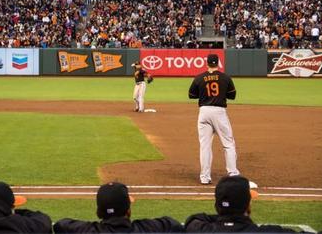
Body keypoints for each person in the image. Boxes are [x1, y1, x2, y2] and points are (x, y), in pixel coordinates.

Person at [188, 54, 245, 185]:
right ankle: (233, 173)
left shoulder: (199, 78)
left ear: (207, 63)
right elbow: (232, 96)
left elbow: (191, 95)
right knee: (228, 144)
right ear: (218, 63)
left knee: (205, 146)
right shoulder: (225, 78)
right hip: (219, 112)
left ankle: (204, 177)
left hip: (204, 112)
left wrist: (203, 93)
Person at [185, 176, 305, 232]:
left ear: (217, 206)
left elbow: (194, 218)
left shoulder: (198, 228)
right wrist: (234, 217)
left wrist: (226, 216)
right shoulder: (266, 232)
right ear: (247, 205)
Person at [54, 182, 183, 233]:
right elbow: (173, 224)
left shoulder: (89, 231)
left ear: (98, 212)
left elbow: (60, 225)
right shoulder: (146, 229)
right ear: (128, 210)